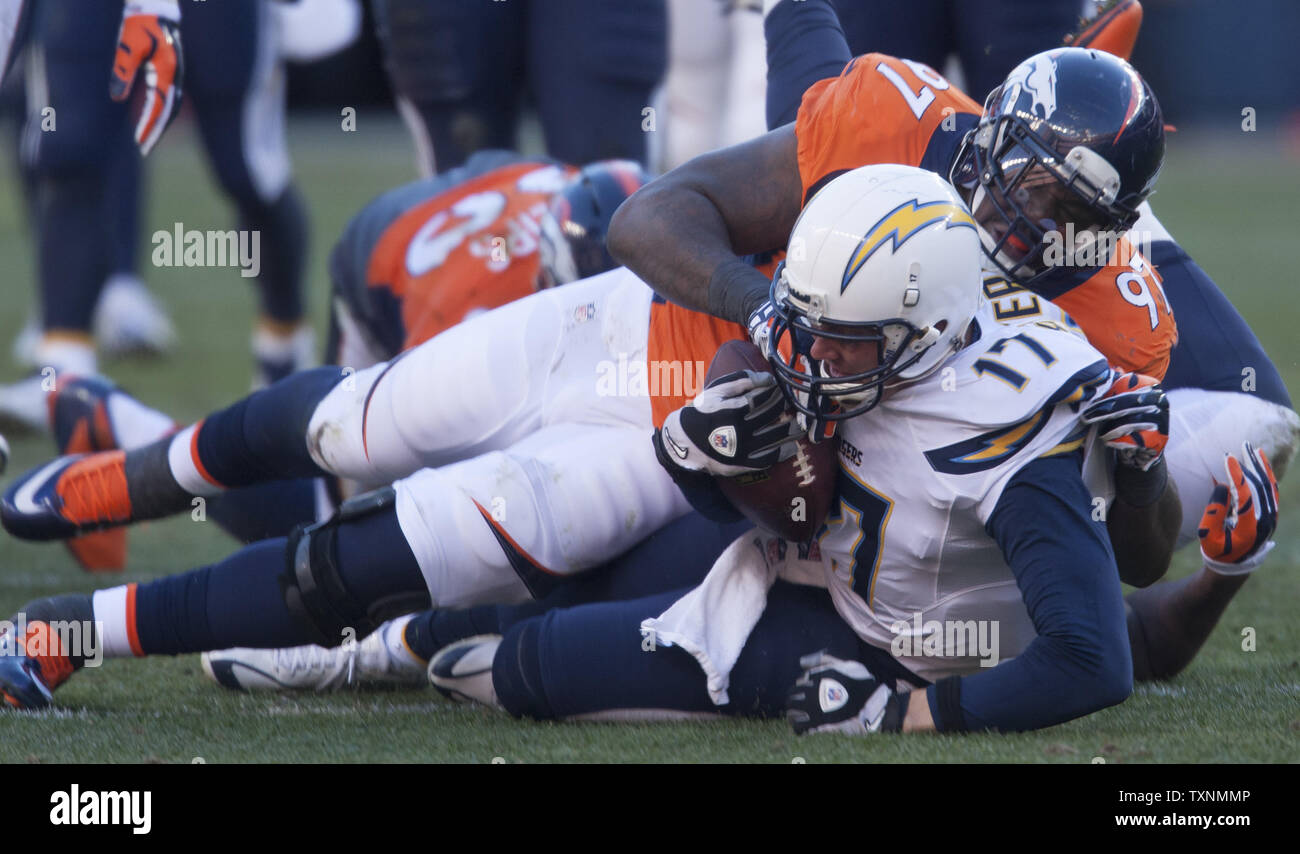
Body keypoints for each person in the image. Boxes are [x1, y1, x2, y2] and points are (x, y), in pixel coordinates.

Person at [424, 165, 1279, 734]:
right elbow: (787, 495)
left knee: (540, 667)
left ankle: (410, 648)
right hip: (814, 558)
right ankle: (367, 641)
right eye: (809, 328)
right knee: (550, 584)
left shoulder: (1019, 433)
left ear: (928, 330)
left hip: (885, 639)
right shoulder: (878, 327)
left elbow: (1095, 658)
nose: (815, 357)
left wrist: (908, 713)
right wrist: (699, 458)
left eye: (845, 341)